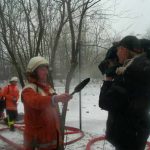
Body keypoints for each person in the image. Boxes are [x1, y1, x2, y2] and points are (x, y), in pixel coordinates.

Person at [99, 35, 150, 150]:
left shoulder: (129, 74)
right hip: (136, 133)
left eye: (118, 50)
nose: (116, 53)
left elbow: (105, 102)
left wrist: (108, 79)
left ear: (124, 50)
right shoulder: (142, 67)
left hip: (127, 137)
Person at [21, 56, 72, 150]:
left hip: (55, 140)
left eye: (46, 70)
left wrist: (61, 98)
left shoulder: (48, 88)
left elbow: (52, 108)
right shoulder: (28, 90)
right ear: (34, 71)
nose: (46, 72)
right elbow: (36, 101)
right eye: (42, 69)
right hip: (38, 143)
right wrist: (56, 99)